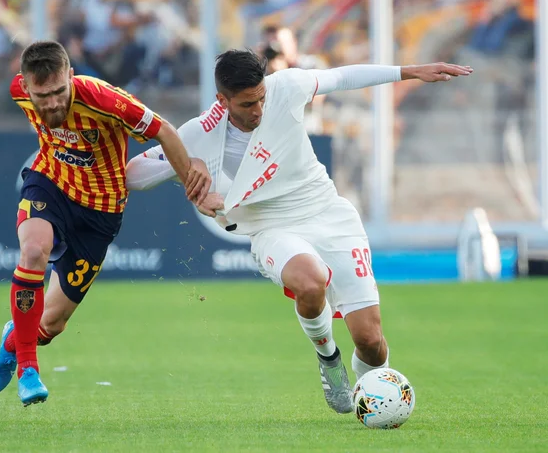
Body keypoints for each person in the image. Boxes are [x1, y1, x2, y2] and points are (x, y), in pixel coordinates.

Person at [125, 49, 472, 414]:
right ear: (222, 100)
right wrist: (186, 163)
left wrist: (410, 70)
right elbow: (133, 175)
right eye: (246, 104)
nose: (258, 109)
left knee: (371, 341)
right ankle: (328, 358)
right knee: (310, 280)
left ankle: (376, 392)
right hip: (271, 227)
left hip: (328, 212)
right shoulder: (199, 134)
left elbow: (343, 77)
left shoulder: (286, 86)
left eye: (261, 98)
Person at [0, 40, 210, 406]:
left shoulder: (106, 100)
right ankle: (28, 369)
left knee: (50, 325)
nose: (54, 103)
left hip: (100, 212)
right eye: (44, 96)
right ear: (25, 88)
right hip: (51, 184)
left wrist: (191, 184)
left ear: (71, 76)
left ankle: (14, 339)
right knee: (32, 251)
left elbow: (165, 130)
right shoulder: (17, 93)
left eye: (60, 91)